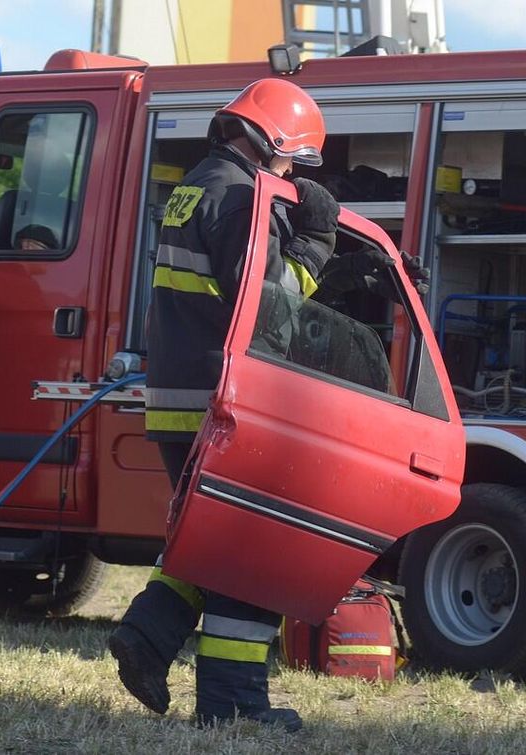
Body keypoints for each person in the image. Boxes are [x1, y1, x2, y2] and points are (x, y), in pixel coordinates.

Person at [108, 78, 340, 732]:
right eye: (294, 160)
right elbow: (264, 305)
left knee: (209, 538)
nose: (293, 172)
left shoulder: (197, 185)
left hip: (180, 400)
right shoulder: (242, 196)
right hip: (224, 404)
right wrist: (316, 241)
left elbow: (217, 290)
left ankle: (147, 639)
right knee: (251, 554)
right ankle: (234, 705)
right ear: (272, 142)